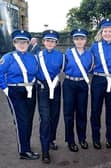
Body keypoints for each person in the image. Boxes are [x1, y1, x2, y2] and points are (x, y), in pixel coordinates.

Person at [0, 30, 39, 160]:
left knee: (28, 120)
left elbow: (36, 73)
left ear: (28, 43)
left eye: (24, 42)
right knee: (21, 121)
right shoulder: (8, 57)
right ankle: (23, 151)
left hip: (30, 91)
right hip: (15, 91)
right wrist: (5, 89)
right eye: (18, 42)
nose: (22, 44)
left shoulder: (33, 57)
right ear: (14, 43)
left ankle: (26, 146)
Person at [90, 18, 111, 149]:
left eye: (110, 31)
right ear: (101, 32)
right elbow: (89, 63)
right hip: (98, 80)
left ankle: (110, 138)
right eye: (105, 31)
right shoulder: (95, 46)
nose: (107, 33)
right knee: (96, 110)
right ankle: (96, 138)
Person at [63, 28, 92, 152]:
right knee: (69, 114)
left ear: (86, 40)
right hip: (69, 83)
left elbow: (91, 69)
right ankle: (70, 140)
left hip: (82, 84)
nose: (79, 41)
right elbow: (62, 68)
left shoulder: (90, 55)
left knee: (82, 112)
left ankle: (82, 138)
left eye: (82, 38)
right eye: (77, 39)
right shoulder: (67, 53)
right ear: (73, 40)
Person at [36, 30, 64, 163]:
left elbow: (67, 69)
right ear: (43, 42)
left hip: (56, 88)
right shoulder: (37, 55)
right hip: (42, 89)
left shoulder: (62, 56)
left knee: (54, 116)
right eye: (47, 40)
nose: (50, 43)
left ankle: (51, 140)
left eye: (53, 41)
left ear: (56, 43)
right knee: (45, 119)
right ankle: (45, 151)